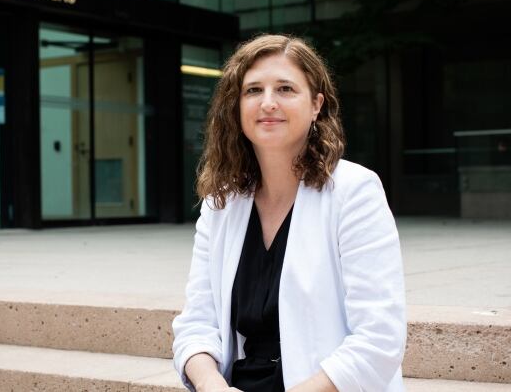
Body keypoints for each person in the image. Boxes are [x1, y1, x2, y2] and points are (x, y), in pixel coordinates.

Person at [172, 34, 406, 392]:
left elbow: (379, 339)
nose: (267, 103)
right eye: (253, 91)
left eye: (285, 89)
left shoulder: (354, 192)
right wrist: (212, 387)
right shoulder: (221, 204)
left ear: (316, 105)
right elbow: (196, 325)